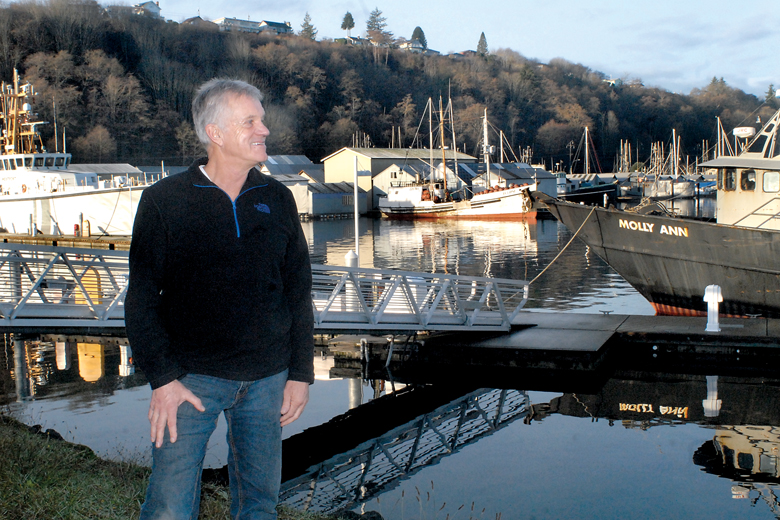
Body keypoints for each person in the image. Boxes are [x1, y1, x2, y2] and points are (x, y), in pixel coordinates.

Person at [125, 78, 314, 520]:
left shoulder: (278, 198)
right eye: (251, 121)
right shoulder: (163, 202)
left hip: (268, 379)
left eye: (262, 119)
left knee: (259, 506)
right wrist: (163, 379)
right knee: (170, 506)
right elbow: (140, 300)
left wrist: (300, 373)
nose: (264, 129)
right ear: (216, 132)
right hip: (189, 381)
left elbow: (298, 291)